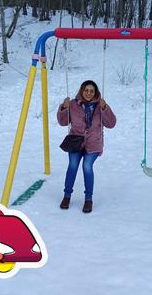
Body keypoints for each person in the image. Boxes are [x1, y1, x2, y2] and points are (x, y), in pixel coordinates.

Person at [57, 80, 116, 213]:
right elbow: (62, 122)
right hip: (75, 142)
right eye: (86, 90)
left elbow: (111, 123)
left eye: (91, 91)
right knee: (72, 166)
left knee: (87, 166)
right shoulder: (72, 104)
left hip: (93, 143)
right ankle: (67, 196)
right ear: (81, 91)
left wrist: (105, 108)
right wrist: (64, 108)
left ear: (95, 93)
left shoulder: (100, 105)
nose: (89, 93)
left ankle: (88, 199)